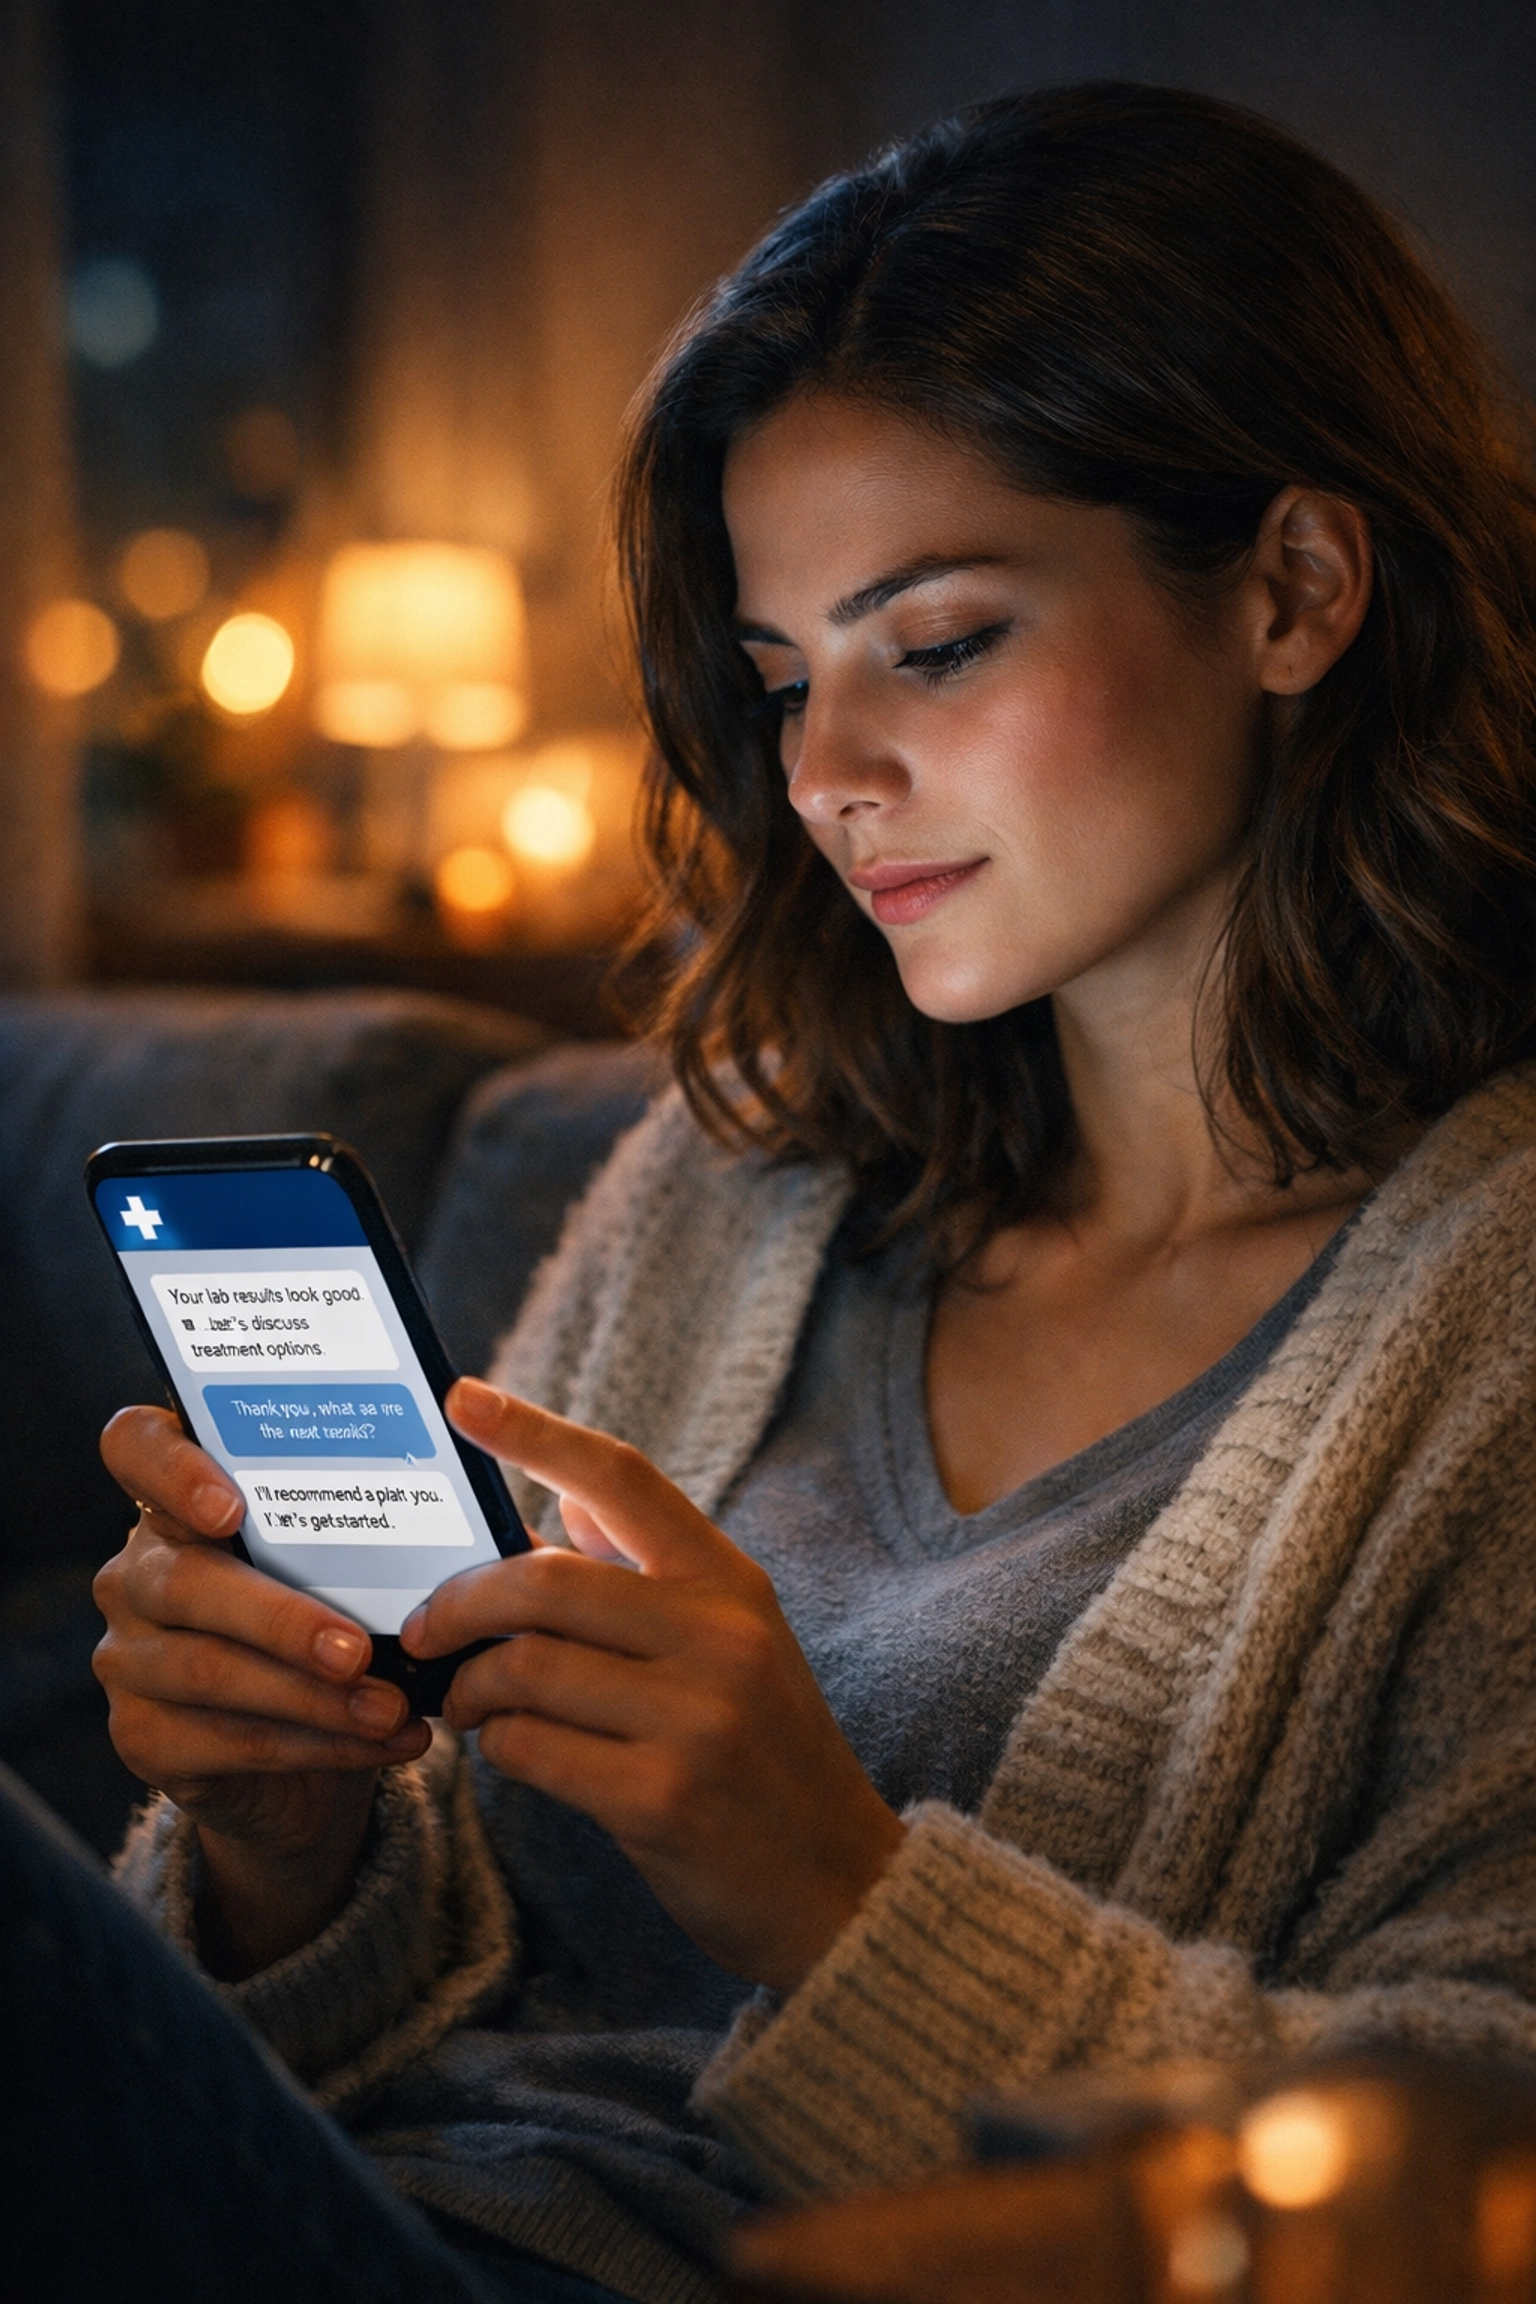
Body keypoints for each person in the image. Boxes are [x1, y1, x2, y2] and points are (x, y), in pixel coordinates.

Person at [8, 79, 1536, 2304]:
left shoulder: (1489, 1323)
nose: (827, 775)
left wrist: (829, 1887)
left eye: (936, 645)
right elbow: (398, 1938)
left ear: (1295, 589)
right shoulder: (749, 1173)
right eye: (783, 677)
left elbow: (1465, 2163)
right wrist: (278, 1842)